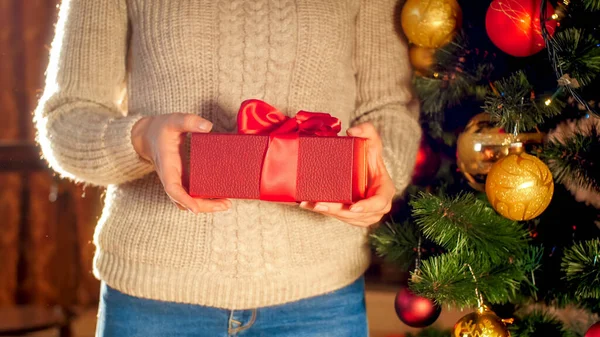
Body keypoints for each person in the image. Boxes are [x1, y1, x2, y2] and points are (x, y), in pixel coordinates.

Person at [34, 0, 421, 335]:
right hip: (153, 298)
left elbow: (388, 109)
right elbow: (66, 117)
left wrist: (375, 173)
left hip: (320, 301)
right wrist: (140, 138)